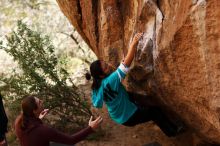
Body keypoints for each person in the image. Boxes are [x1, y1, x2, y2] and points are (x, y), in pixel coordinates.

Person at [86, 33, 183, 137]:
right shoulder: (111, 80)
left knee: (135, 97)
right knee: (155, 112)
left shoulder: (96, 87)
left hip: (118, 115)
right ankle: (172, 132)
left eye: (105, 64)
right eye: (105, 67)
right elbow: (126, 65)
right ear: (101, 75)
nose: (108, 66)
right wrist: (133, 44)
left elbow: (97, 102)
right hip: (129, 116)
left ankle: (142, 108)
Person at [15, 96, 103, 146]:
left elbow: (31, 136)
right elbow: (71, 140)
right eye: (39, 102)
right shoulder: (42, 130)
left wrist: (38, 118)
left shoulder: (19, 122)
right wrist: (90, 128)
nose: (42, 101)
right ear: (34, 110)